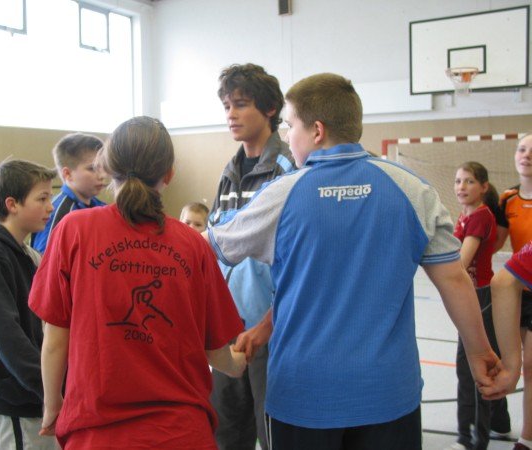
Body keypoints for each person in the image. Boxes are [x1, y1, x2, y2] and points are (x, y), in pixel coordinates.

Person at [207, 73, 509, 450]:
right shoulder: (413, 190)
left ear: (317, 131)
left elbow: (210, 247)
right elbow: (454, 279)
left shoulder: (280, 196)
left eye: (290, 125)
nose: (286, 135)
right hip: (388, 394)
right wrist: (480, 351)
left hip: (304, 397)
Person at [28, 116, 247, 450]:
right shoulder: (192, 244)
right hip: (181, 435)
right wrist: (236, 364)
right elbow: (215, 352)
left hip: (96, 435)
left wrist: (53, 404)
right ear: (169, 174)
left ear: (106, 167)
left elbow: (55, 339)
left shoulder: (73, 231)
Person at [208, 62, 295, 450]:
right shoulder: (228, 173)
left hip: (272, 332)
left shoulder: (289, 170)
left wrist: (267, 324)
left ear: (270, 109)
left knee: (273, 434)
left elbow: (299, 262)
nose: (231, 114)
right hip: (227, 330)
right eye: (227, 106)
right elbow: (219, 252)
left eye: (241, 105)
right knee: (225, 433)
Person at [0, 159, 59, 450]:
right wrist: (50, 389)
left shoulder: (25, 253)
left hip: (31, 393)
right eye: (42, 199)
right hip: (12, 398)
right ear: (12, 204)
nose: (50, 207)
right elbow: (7, 336)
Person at [447, 162, 509, 450]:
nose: (462, 187)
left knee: (470, 369)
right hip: (474, 296)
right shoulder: (466, 215)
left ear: (484, 187)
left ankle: (471, 438)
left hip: (479, 298)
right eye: (458, 181)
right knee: (487, 361)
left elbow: (461, 262)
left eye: (469, 181)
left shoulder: (480, 217)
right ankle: (499, 421)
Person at [494, 133, 532, 450]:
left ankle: (526, 436)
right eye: (522, 149)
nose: (526, 155)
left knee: (529, 363)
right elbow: (495, 243)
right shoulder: (508, 198)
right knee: (522, 363)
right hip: (519, 287)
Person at [31, 132, 106, 253]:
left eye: (102, 167)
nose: (102, 175)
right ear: (67, 174)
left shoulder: (101, 207)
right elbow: (46, 261)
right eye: (92, 168)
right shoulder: (56, 213)